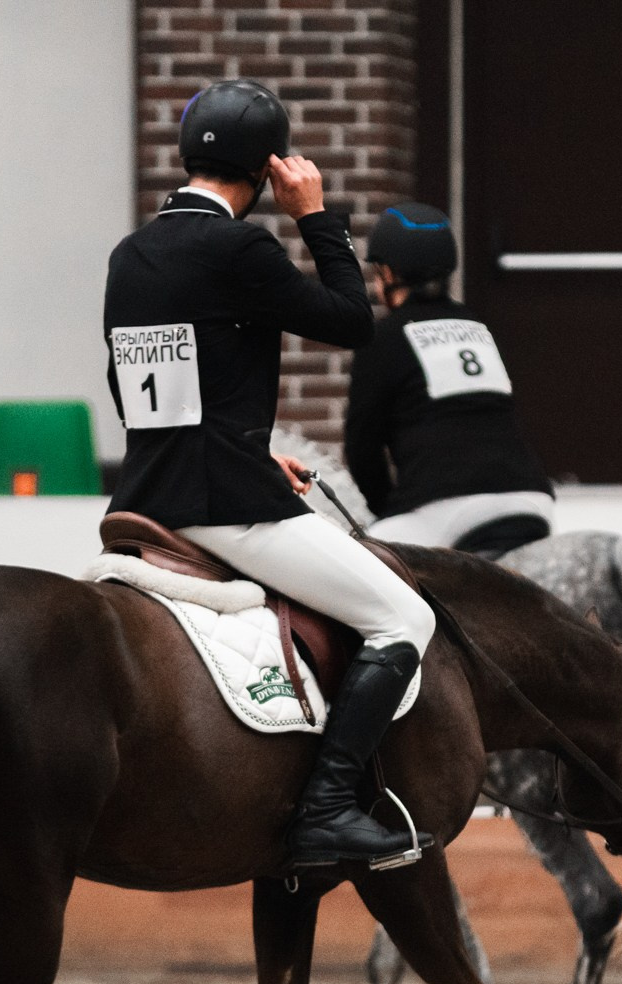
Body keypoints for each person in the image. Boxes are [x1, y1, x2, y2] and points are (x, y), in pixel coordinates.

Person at [104, 79, 436, 869]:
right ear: (265, 171)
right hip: (224, 505)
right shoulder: (241, 246)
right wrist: (315, 217)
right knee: (404, 619)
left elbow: (139, 389)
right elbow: (353, 321)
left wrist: (249, 448)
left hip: (148, 492)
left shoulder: (132, 251)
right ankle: (324, 811)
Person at [343, 202, 553, 554]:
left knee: (357, 566)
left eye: (378, 272)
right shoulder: (478, 327)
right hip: (531, 497)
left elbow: (362, 449)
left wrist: (387, 511)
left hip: (446, 505)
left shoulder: (383, 337)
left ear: (390, 273)